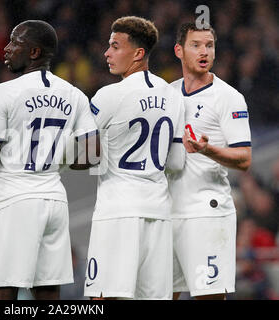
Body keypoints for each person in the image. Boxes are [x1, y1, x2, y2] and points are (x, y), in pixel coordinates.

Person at [0, 20, 98, 300]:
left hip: (14, 200)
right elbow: (94, 155)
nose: (6, 49)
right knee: (47, 290)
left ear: (33, 53)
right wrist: (60, 162)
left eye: (14, 43)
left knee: (2, 286)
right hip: (54, 200)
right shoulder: (75, 95)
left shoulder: (4, 92)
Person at [83, 16, 185, 300]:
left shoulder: (109, 95)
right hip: (159, 211)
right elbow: (176, 163)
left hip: (117, 210)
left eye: (115, 46)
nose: (107, 53)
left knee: (102, 296)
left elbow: (81, 155)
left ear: (138, 54)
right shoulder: (173, 96)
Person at [168, 22, 252, 300]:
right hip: (166, 212)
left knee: (209, 297)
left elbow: (244, 159)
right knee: (160, 295)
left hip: (207, 213)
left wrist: (208, 150)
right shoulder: (166, 95)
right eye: (196, 45)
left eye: (209, 45)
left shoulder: (229, 98)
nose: (204, 51)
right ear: (179, 51)